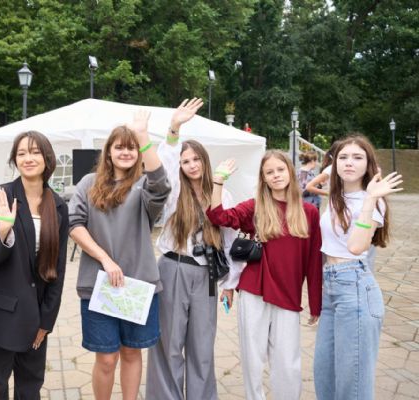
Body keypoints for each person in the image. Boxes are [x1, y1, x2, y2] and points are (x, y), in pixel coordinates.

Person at [146, 98, 245, 399]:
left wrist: (230, 283)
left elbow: (230, 239)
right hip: (173, 267)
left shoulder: (221, 193)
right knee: (169, 344)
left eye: (196, 159)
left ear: (205, 161)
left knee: (202, 345)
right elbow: (164, 164)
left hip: (207, 275)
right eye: (185, 161)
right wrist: (174, 128)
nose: (191, 165)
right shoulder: (174, 191)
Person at [68, 110, 170, 400]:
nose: (126, 152)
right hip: (98, 286)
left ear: (139, 153)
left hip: (138, 286)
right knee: (106, 358)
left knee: (131, 352)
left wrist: (143, 136)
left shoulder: (144, 185)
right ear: (109, 152)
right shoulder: (88, 183)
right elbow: (74, 224)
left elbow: (162, 184)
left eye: (132, 147)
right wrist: (105, 259)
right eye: (119, 147)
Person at [206, 151, 322, 400]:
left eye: (280, 170)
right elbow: (218, 217)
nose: (276, 175)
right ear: (264, 178)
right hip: (254, 289)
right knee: (252, 357)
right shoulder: (255, 207)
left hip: (288, 294)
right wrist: (218, 182)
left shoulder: (309, 212)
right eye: (270, 172)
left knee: (288, 361)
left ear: (290, 171)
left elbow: (314, 262)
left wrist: (316, 303)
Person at [0, 131, 69, 400]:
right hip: (0, 313)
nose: (28, 158)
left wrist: (46, 321)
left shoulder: (58, 206)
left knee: (30, 388)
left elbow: (58, 269)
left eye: (35, 152)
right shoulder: (3, 195)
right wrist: (3, 231)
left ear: (47, 158)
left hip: (35, 316)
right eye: (22, 153)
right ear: (15, 160)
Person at [313, 135, 402, 400]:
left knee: (352, 384)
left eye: (357, 157)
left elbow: (356, 246)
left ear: (368, 164)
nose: (349, 162)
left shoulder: (373, 201)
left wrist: (371, 199)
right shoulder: (336, 197)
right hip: (331, 288)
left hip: (355, 288)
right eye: (343, 157)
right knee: (325, 374)